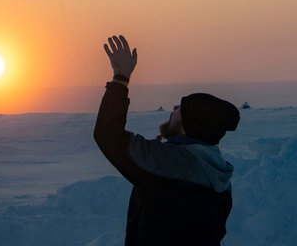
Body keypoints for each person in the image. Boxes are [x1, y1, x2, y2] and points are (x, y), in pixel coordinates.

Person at [94, 34, 241, 245]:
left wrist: (120, 78)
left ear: (189, 126)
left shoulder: (174, 163)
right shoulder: (216, 171)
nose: (173, 109)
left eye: (181, 109)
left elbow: (109, 135)